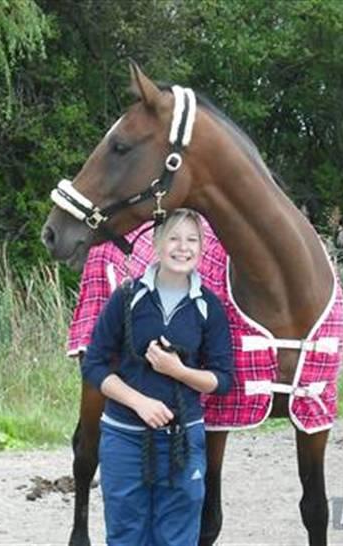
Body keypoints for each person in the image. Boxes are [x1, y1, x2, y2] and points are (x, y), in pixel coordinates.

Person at [81, 208, 234, 545]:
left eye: (192, 240)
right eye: (174, 238)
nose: (183, 247)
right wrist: (139, 403)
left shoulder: (209, 306)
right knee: (125, 534)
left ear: (202, 246)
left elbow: (223, 379)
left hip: (183, 439)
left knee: (177, 536)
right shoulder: (126, 297)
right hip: (124, 439)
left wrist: (178, 371)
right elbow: (93, 365)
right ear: (155, 243)